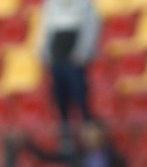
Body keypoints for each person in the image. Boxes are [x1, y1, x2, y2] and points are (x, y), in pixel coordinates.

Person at [37, 0, 100, 138]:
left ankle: (88, 136)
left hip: (74, 60)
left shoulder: (85, 4)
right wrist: (45, 53)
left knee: (80, 98)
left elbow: (90, 29)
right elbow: (44, 30)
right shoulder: (51, 5)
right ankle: (66, 138)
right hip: (56, 58)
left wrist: (82, 54)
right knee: (60, 99)